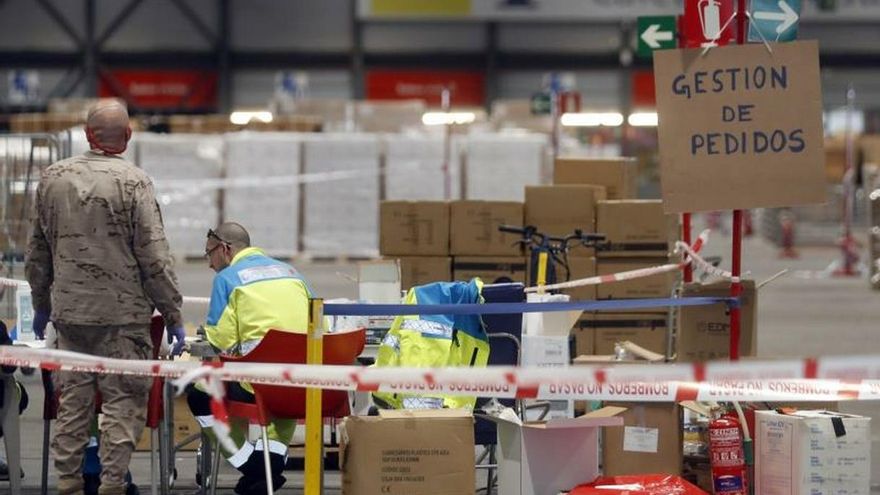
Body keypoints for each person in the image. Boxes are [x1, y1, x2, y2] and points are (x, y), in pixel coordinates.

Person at [25, 100, 184, 495]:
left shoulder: (52, 179)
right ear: (128, 137)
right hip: (123, 319)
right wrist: (173, 313)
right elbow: (154, 256)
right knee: (121, 405)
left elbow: (37, 251)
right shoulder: (135, 183)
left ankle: (68, 481)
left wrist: (41, 304)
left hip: (70, 315)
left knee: (73, 402)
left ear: (86, 134)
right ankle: (112, 484)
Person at [187, 222, 312, 495]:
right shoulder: (293, 273)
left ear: (225, 249)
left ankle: (253, 467)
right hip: (301, 386)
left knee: (198, 395)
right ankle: (272, 465)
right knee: (284, 395)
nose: (209, 263)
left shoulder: (228, 278)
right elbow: (316, 321)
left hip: (257, 386)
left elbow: (220, 339)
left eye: (209, 254)